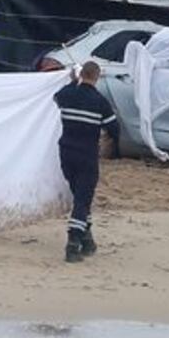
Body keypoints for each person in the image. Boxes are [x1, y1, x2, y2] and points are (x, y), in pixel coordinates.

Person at [53, 61, 118, 263]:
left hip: (66, 153)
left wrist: (73, 82)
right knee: (82, 200)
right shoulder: (100, 101)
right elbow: (114, 129)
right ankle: (73, 244)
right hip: (87, 155)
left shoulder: (67, 95)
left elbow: (57, 97)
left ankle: (87, 241)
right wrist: (110, 147)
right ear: (97, 77)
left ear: (82, 74)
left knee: (79, 198)